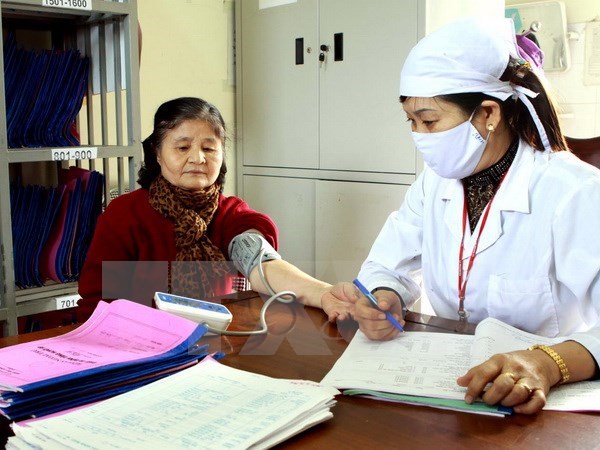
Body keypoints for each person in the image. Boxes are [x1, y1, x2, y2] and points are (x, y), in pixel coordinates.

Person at [347, 17, 600, 414]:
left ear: (488, 114)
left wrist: (549, 362)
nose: (419, 138)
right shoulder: (435, 183)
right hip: (455, 385)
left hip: (539, 402)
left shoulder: (574, 192)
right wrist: (384, 295)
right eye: (411, 122)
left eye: (430, 121)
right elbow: (387, 263)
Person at [78, 96, 354, 323]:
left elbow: (262, 265)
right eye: (183, 147)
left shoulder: (233, 215)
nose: (197, 158)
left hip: (223, 345)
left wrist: (325, 293)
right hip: (143, 349)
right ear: (157, 153)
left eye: (209, 148)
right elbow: (98, 303)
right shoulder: (125, 215)